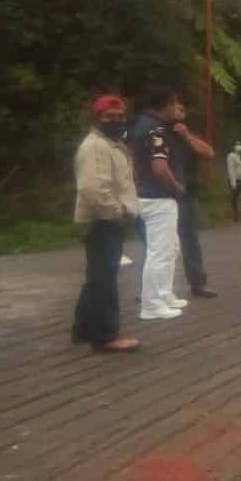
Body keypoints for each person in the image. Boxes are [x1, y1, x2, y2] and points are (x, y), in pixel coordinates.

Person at [72, 95, 140, 352]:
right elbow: (93, 188)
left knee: (97, 277)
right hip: (103, 220)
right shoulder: (96, 146)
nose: (116, 121)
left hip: (107, 219)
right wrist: (118, 212)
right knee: (104, 280)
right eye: (109, 117)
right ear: (97, 119)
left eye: (120, 116)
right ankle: (105, 336)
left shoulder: (112, 144)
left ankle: (84, 329)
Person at [127, 87, 188, 320]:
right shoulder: (156, 129)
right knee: (159, 252)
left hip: (147, 194)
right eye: (175, 104)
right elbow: (160, 169)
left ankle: (164, 293)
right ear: (166, 105)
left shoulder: (138, 124)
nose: (177, 108)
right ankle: (151, 303)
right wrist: (177, 188)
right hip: (158, 198)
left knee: (170, 248)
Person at [169, 102, 217, 299]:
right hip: (163, 195)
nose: (179, 112)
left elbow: (209, 153)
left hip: (187, 194)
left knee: (189, 239)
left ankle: (197, 283)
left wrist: (186, 136)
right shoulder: (158, 132)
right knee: (158, 243)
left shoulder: (189, 136)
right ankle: (153, 288)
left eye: (181, 109)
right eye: (175, 108)